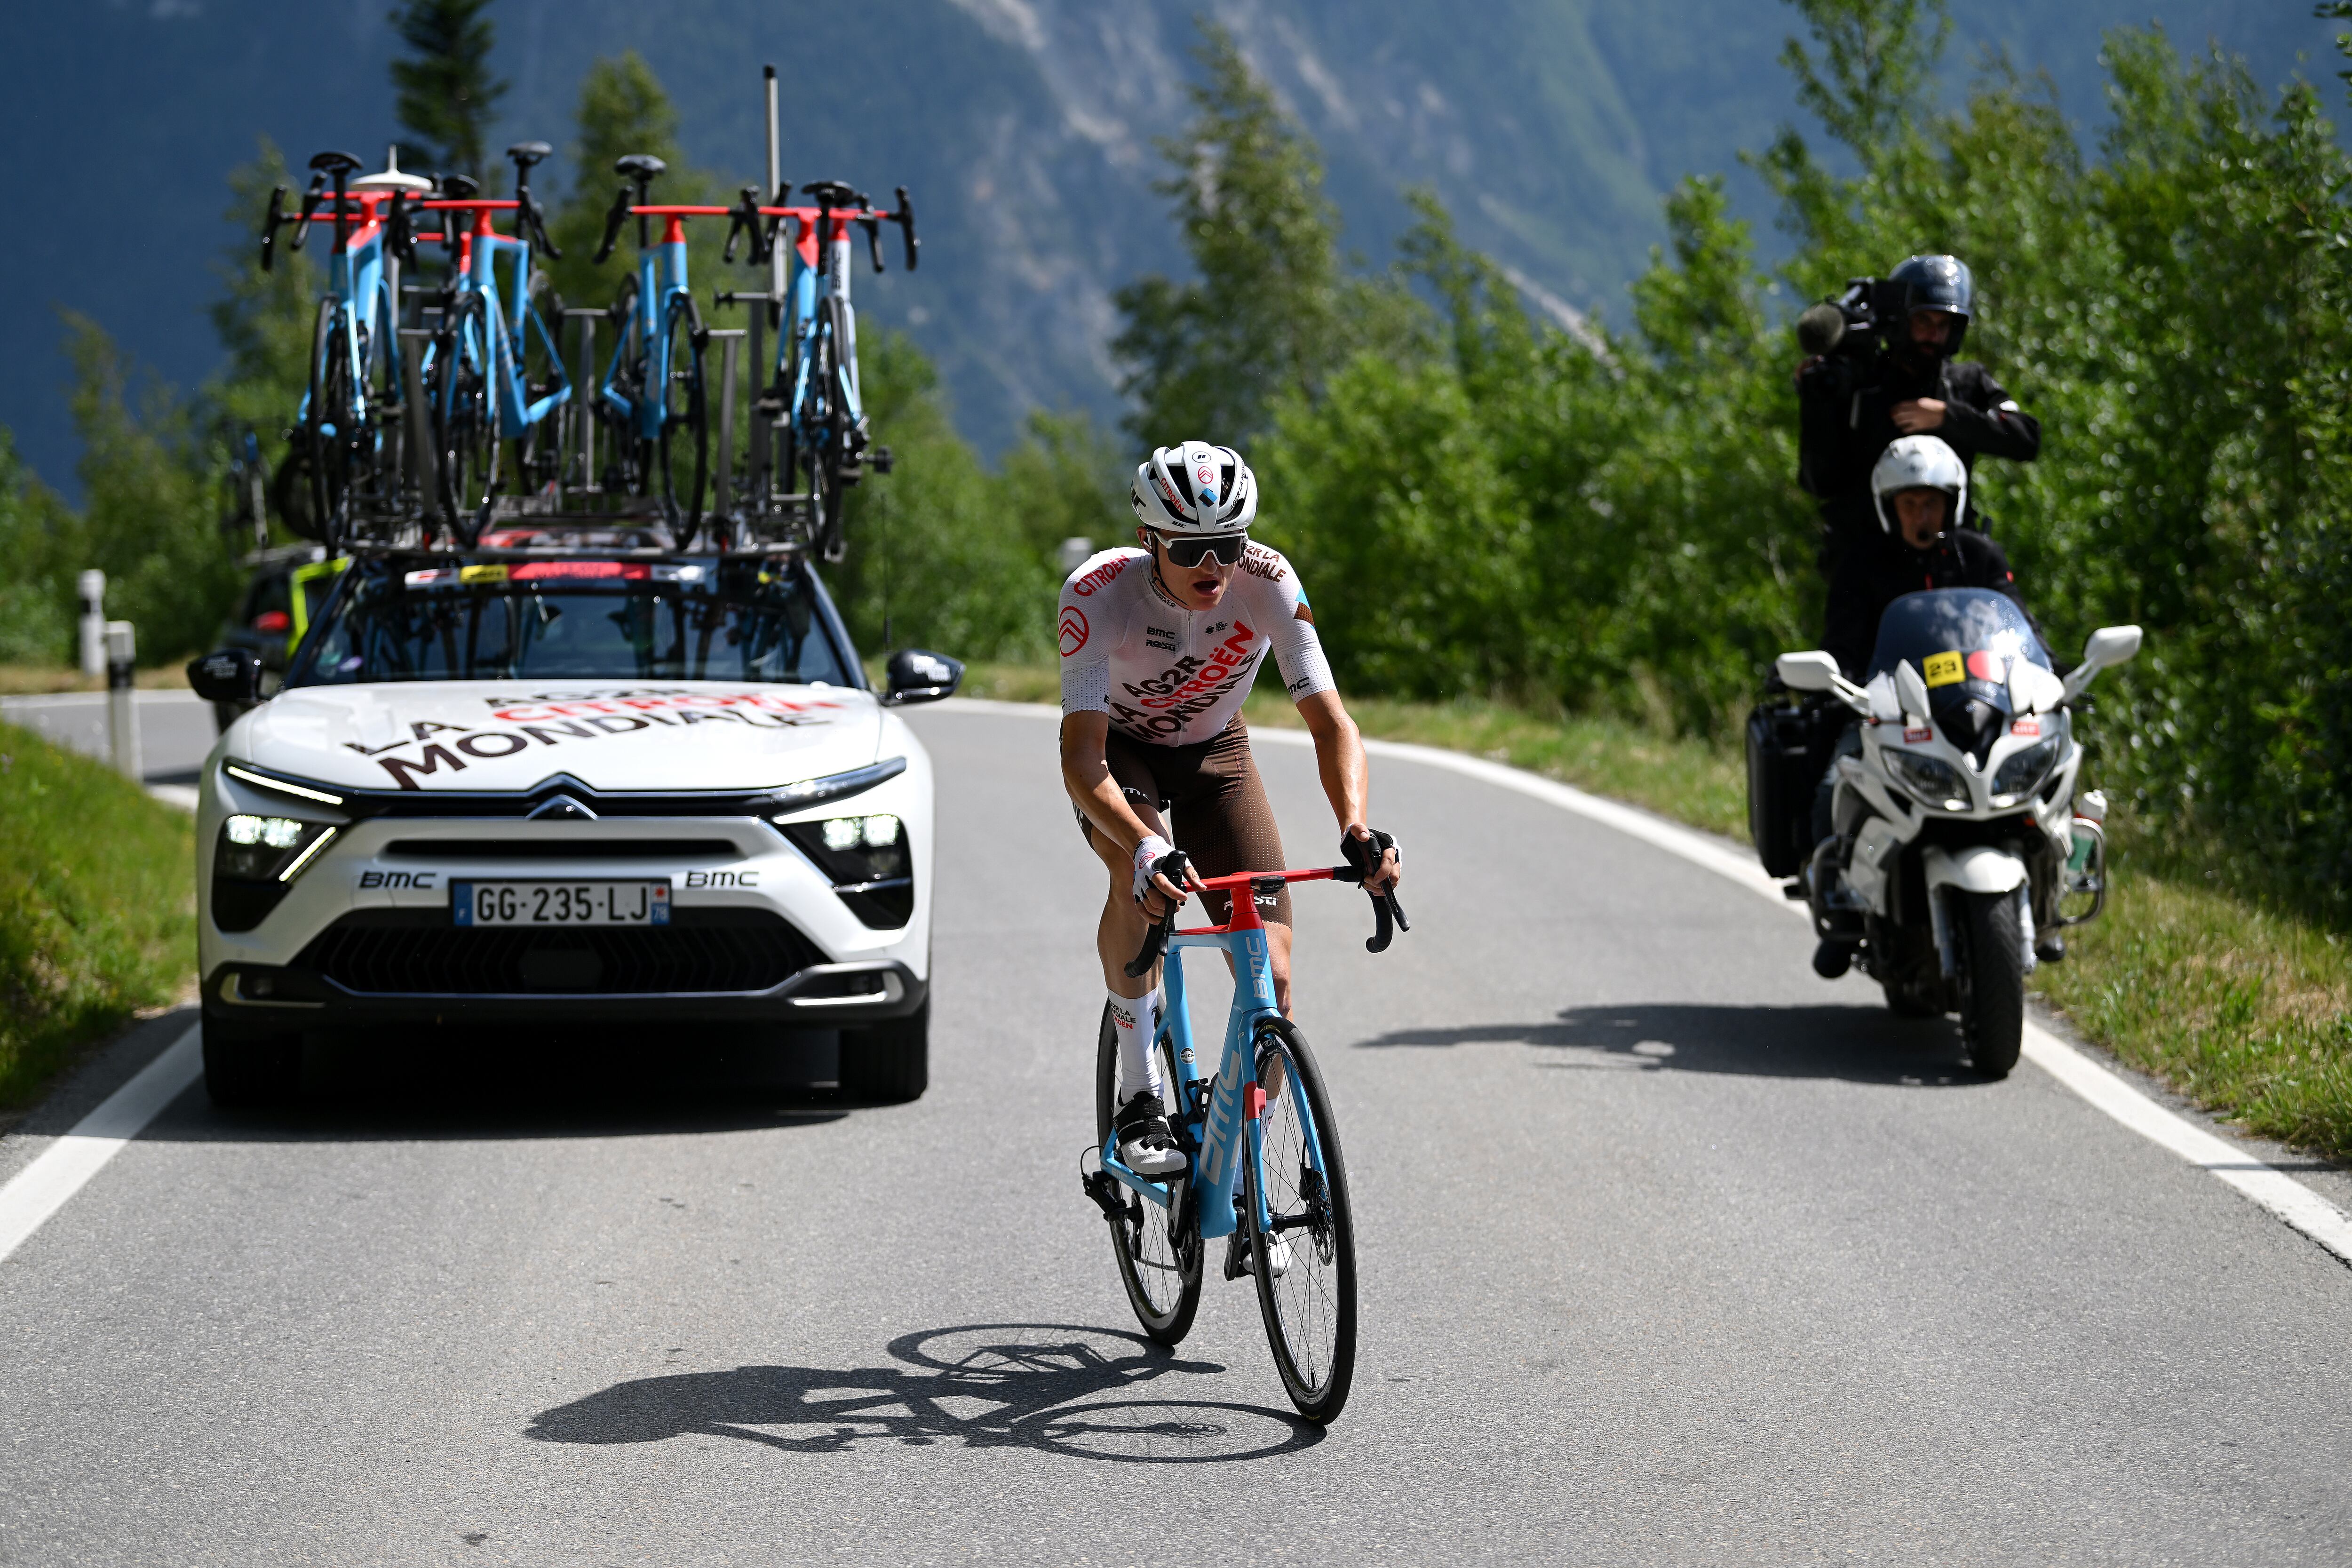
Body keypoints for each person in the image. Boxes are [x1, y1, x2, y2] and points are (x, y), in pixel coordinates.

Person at [1059, 440, 1402, 1179]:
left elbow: (1332, 725)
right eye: (1191, 549)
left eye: (1229, 543)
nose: (1213, 565)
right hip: (1124, 754)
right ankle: (1139, 1098)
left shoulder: (1269, 582)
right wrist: (1146, 845)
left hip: (1218, 753)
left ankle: (1240, 1145)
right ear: (1150, 541)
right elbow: (1083, 759)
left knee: (1273, 976)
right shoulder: (1098, 593)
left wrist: (1355, 826)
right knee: (1138, 877)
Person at [1796, 254, 2041, 573]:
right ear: (1900, 320)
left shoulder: (1966, 383)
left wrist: (1948, 417)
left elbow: (2026, 437)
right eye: (1923, 321)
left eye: (1944, 325)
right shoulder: (1861, 383)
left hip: (1951, 565)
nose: (1934, 334)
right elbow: (1819, 481)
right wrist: (1818, 405)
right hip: (1866, 569)